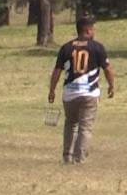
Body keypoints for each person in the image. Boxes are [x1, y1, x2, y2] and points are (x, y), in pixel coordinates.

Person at [47, 17, 115, 164]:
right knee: (85, 128)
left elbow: (57, 71)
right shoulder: (97, 47)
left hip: (70, 94)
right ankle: (79, 159)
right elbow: (108, 69)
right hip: (89, 93)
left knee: (70, 124)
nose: (94, 32)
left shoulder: (66, 47)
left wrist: (52, 90)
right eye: (93, 29)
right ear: (88, 30)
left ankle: (67, 156)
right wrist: (111, 86)